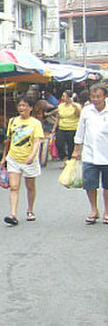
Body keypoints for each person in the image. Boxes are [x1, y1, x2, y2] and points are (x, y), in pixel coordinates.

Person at [0, 96, 44, 226]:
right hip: (14, 158)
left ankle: (30, 210)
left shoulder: (35, 123)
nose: (21, 108)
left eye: (24, 106)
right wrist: (4, 157)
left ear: (31, 108)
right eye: (20, 106)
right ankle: (13, 214)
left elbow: (37, 141)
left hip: (29, 159)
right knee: (14, 187)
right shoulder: (13, 121)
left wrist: (32, 155)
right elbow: (8, 141)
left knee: (30, 186)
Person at [72, 84, 108, 225]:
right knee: (90, 184)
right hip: (89, 153)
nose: (96, 99)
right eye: (93, 97)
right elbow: (80, 131)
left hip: (106, 153)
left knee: (107, 185)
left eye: (98, 96)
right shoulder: (86, 111)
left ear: (105, 96)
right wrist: (76, 150)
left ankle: (107, 211)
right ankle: (94, 209)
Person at [50, 90, 81, 168]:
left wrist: (74, 106)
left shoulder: (76, 105)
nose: (62, 97)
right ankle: (64, 159)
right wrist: (54, 128)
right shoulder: (61, 106)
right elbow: (58, 117)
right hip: (62, 128)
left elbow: (79, 115)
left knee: (71, 146)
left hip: (72, 128)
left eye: (64, 96)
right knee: (59, 144)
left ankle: (70, 162)